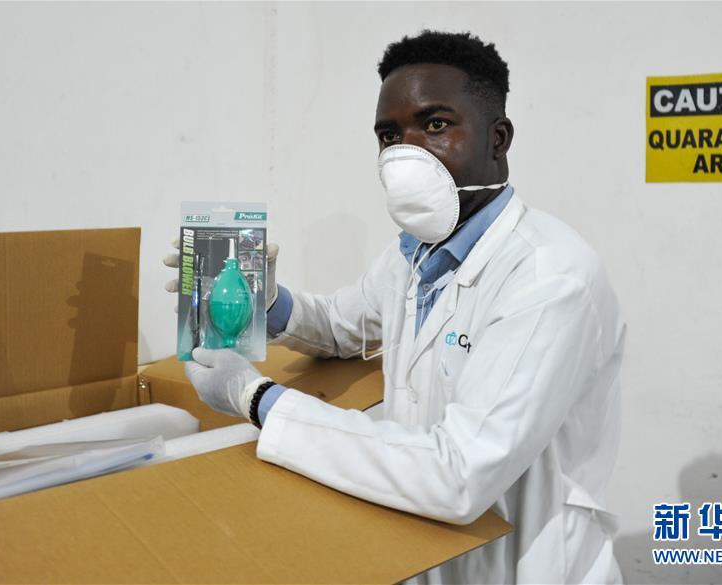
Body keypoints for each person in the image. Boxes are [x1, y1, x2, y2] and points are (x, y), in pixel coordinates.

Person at [168, 30, 626, 584]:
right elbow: (341, 325)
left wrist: (257, 397)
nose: (406, 156)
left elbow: (458, 474)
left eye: (435, 126)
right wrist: (266, 303)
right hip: (425, 553)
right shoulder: (412, 255)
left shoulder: (549, 278)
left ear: (498, 139)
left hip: (527, 566)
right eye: (390, 136)